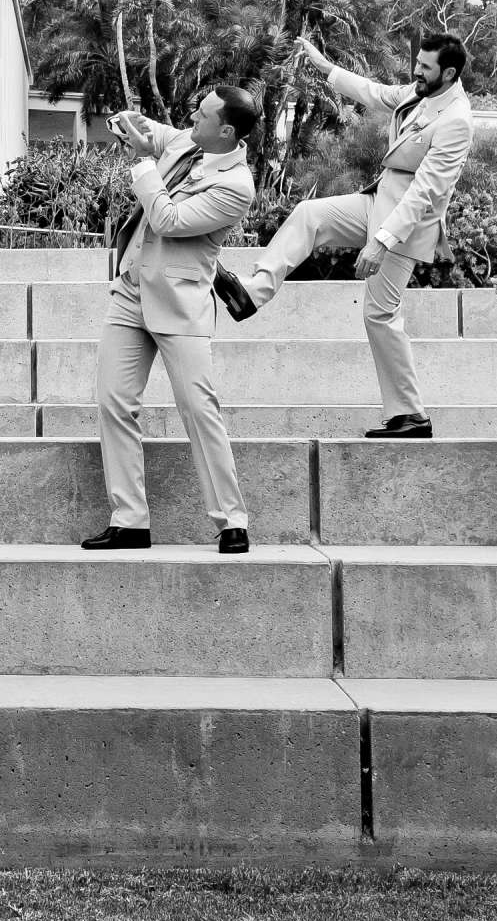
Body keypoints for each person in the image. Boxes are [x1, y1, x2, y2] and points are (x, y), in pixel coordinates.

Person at [219, 32, 475, 439]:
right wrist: (324, 67)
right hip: (377, 201)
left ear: (449, 72)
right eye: (418, 63)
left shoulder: (457, 119)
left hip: (404, 225)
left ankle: (411, 416)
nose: (416, 72)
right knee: (309, 214)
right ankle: (253, 292)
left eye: (425, 67)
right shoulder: (420, 91)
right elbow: (375, 93)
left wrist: (381, 241)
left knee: (380, 316)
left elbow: (426, 191)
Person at [81, 86, 260, 555]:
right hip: (130, 290)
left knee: (199, 410)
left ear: (227, 131)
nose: (190, 120)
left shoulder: (237, 185)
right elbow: (160, 134)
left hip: (180, 303)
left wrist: (140, 162)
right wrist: (130, 121)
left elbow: (168, 219)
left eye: (201, 116)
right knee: (113, 401)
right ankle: (130, 520)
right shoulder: (190, 141)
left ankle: (231, 520)